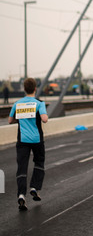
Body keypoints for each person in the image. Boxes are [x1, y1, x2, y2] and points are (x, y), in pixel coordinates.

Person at [8, 77, 48, 211]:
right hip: (37, 140)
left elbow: (10, 120)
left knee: (22, 167)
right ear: (35, 89)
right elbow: (44, 119)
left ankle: (21, 195)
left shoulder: (17, 104)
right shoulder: (39, 103)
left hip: (22, 140)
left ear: (24, 89)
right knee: (39, 162)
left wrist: (21, 117)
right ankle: (35, 187)